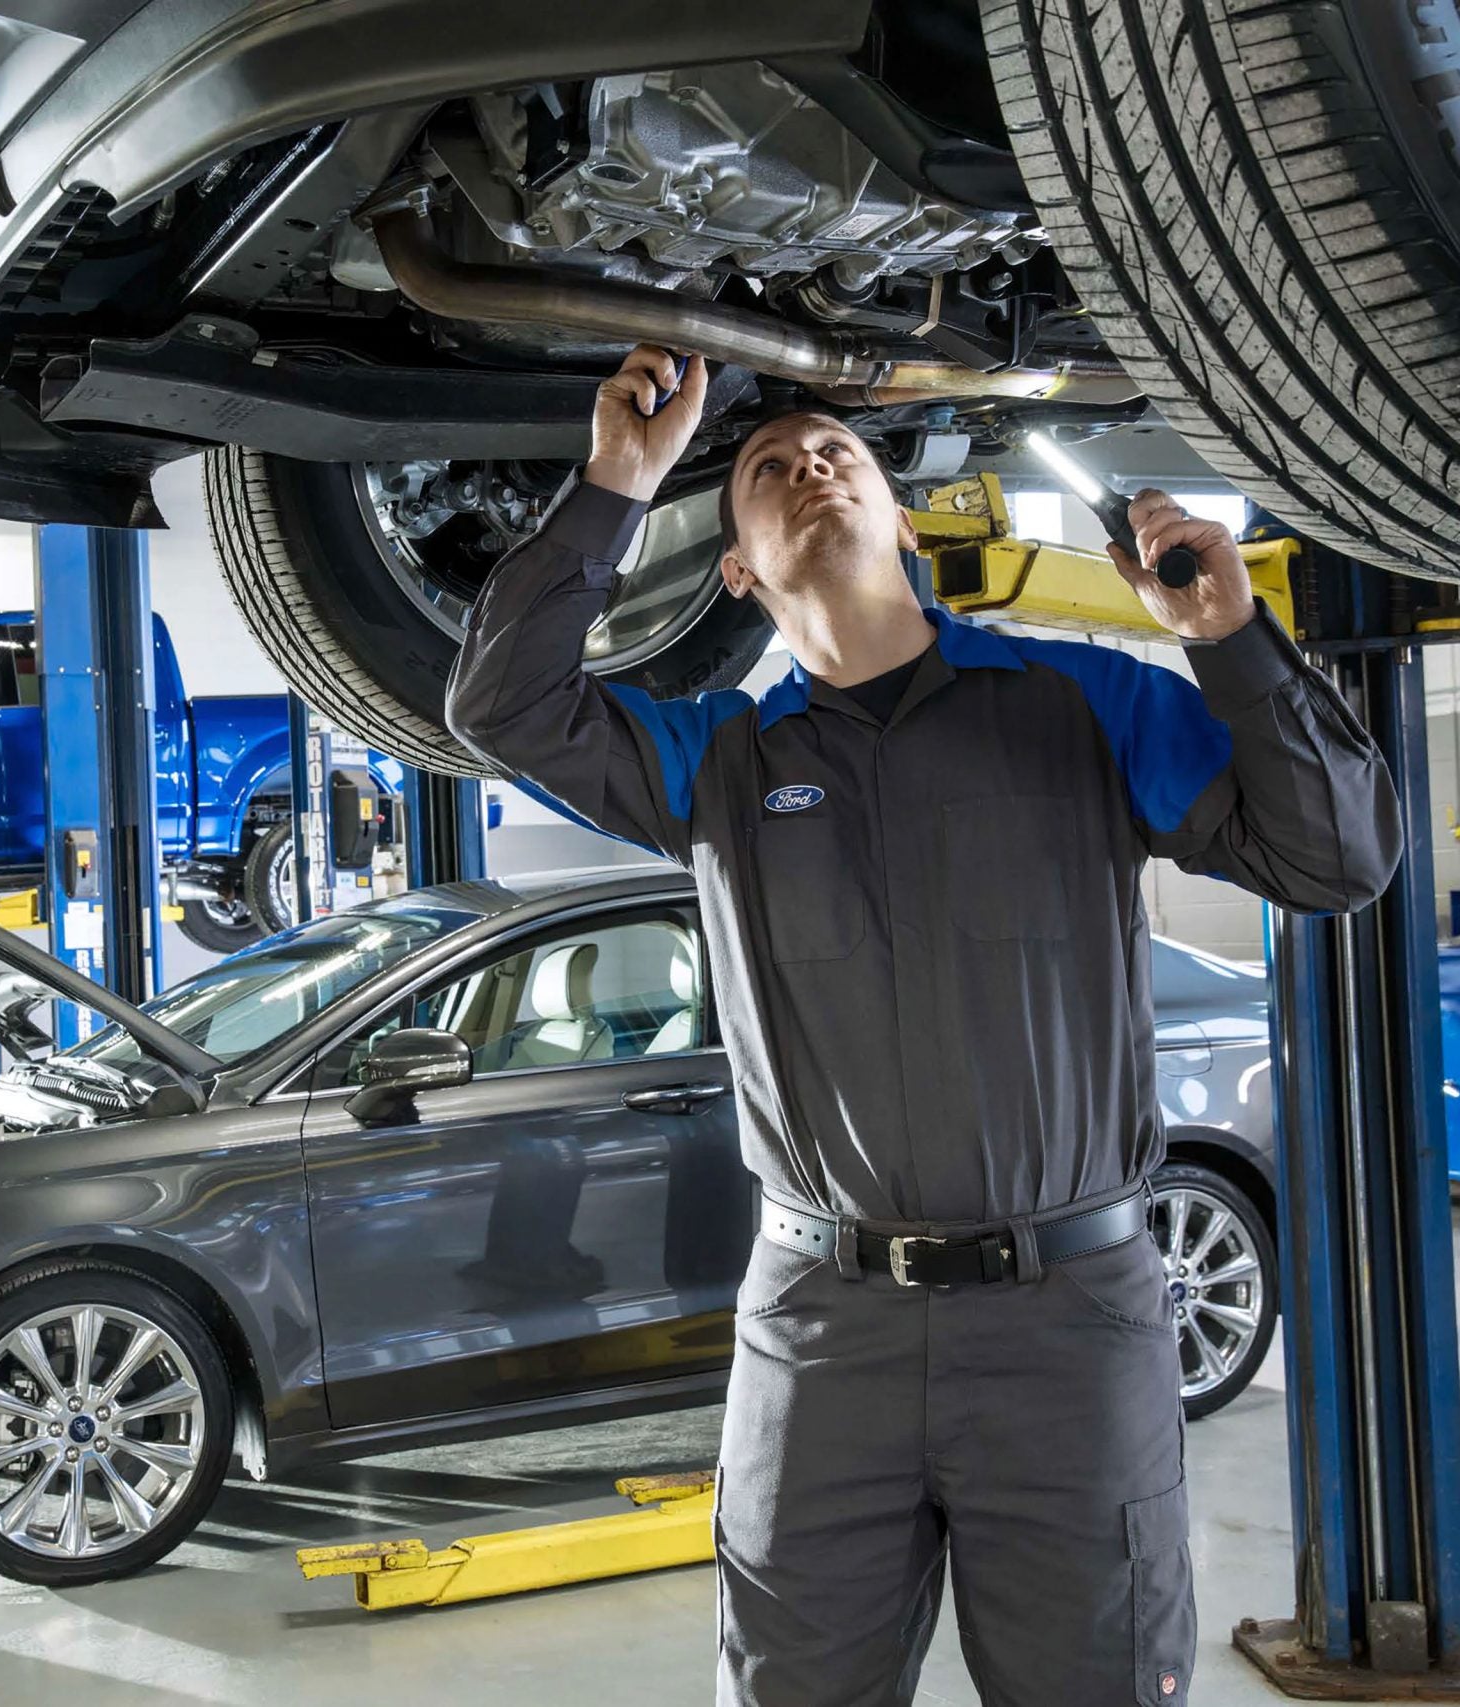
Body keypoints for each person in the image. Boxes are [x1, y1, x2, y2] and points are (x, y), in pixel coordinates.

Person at [446, 347, 1403, 1706]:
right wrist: (616, 482)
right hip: (821, 1332)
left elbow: (1338, 858)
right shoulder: (715, 763)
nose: (810, 464)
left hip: (1070, 1322)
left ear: (906, 520)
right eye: (769, 471)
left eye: (841, 449)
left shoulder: (1086, 703)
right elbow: (502, 704)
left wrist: (1232, 640)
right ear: (739, 573)